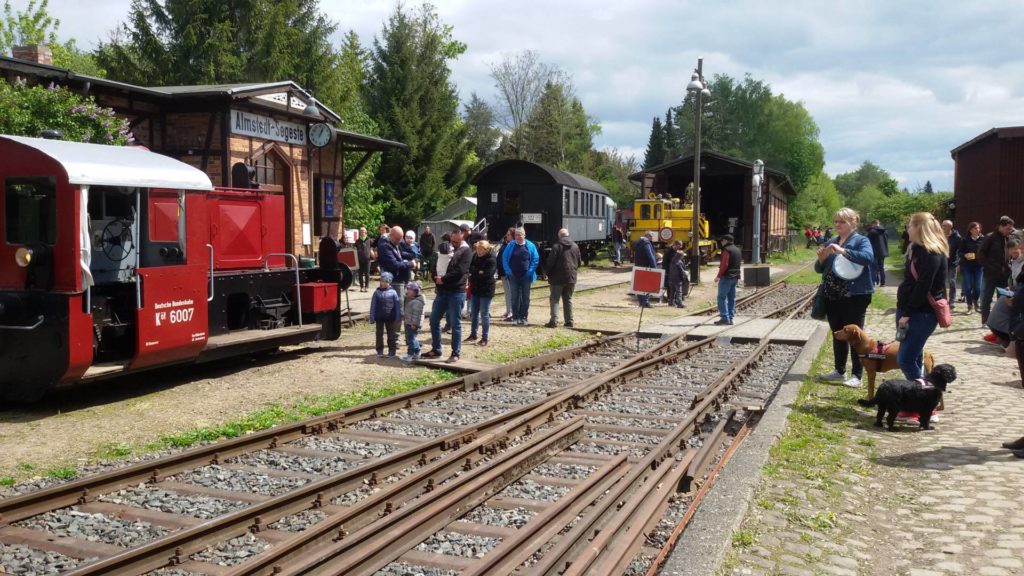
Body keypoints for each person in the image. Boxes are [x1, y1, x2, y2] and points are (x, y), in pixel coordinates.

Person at [815, 207, 875, 388]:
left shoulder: (861, 240)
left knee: (855, 335)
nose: (838, 225)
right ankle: (839, 371)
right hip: (833, 295)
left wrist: (842, 251)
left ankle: (857, 374)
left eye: (842, 221)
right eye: (836, 221)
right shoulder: (832, 241)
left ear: (853, 222)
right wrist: (822, 259)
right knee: (838, 334)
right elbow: (819, 269)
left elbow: (868, 257)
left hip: (855, 295)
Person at [896, 212, 948, 380]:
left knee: (905, 359)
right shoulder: (916, 249)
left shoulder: (931, 254)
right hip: (908, 309)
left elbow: (923, 287)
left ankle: (922, 395)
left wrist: (907, 314)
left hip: (921, 313)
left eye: (910, 225)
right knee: (915, 356)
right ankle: (918, 397)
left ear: (919, 228)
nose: (907, 229)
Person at [424, 232, 472, 362]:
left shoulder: (466, 252)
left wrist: (443, 279)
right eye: (453, 241)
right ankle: (436, 349)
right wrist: (436, 278)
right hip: (442, 291)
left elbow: (460, 271)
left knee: (455, 323)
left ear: (462, 239)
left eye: (457, 242)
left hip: (456, 291)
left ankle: (455, 352)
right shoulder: (445, 249)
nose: (454, 244)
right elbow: (434, 265)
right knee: (434, 320)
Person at [978, 215, 1015, 324]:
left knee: (1003, 299)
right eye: (1008, 228)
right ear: (1001, 226)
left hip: (1004, 274)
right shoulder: (990, 237)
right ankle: (985, 321)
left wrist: (1009, 266)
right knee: (987, 298)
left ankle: (998, 321)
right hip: (990, 273)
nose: (1010, 231)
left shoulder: (1008, 238)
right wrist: (989, 267)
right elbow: (980, 254)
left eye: (1010, 229)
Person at [501, 227, 540, 325]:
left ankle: (524, 317)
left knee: (525, 298)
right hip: (513, 275)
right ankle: (515, 317)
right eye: (516, 235)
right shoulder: (510, 245)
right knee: (514, 298)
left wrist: (530, 272)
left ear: (524, 235)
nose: (518, 236)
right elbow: (504, 258)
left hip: (526, 275)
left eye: (520, 234)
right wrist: (508, 271)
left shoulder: (530, 245)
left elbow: (535, 259)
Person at [544, 228, 582, 328]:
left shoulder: (556, 247)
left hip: (557, 278)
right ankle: (569, 321)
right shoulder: (575, 246)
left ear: (559, 236)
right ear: (568, 235)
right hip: (571, 278)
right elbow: (579, 262)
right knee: (568, 299)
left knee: (555, 299)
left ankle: (554, 321)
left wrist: (546, 273)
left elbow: (550, 262)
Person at [377, 226, 418, 310]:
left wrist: (414, 257)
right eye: (397, 239)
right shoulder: (384, 246)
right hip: (394, 281)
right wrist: (410, 264)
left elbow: (402, 254)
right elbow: (393, 264)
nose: (399, 241)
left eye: (400, 239)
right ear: (391, 235)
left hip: (401, 279)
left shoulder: (396, 243)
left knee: (402, 306)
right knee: (398, 308)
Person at [466, 240, 496, 346]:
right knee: (474, 313)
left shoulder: (491, 259)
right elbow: (470, 268)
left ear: (486, 249)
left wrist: (477, 272)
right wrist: (478, 271)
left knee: (484, 313)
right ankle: (473, 334)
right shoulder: (475, 257)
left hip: (486, 289)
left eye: (481, 249)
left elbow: (488, 274)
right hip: (475, 288)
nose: (478, 251)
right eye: (477, 249)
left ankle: (485, 337)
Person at [369, 272, 401, 358]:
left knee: (391, 335)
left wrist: (398, 317)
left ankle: (392, 350)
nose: (382, 283)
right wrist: (372, 317)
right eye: (381, 281)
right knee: (379, 335)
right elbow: (373, 305)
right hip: (379, 318)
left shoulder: (393, 293)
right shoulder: (376, 292)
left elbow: (397, 306)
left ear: (389, 282)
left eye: (384, 281)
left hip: (390, 317)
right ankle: (379, 350)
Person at [714, 234, 742, 325]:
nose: (721, 242)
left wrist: (718, 276)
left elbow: (724, 264)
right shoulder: (737, 250)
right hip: (735, 277)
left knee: (721, 297)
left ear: (726, 241)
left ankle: (725, 317)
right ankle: (730, 317)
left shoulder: (726, 250)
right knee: (732, 298)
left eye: (722, 241)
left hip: (727, 277)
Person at [959, 221, 984, 313]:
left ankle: (975, 302)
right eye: (975, 228)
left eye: (978, 228)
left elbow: (986, 252)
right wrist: (965, 255)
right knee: (968, 286)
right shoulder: (965, 240)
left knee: (978, 287)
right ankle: (969, 306)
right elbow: (960, 252)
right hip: (967, 266)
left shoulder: (983, 239)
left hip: (979, 266)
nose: (977, 230)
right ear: (970, 230)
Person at [632, 231, 658, 308]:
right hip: (645, 266)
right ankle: (645, 302)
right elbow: (650, 256)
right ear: (648, 236)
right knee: (646, 285)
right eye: (652, 236)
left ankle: (641, 301)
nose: (652, 238)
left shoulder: (638, 241)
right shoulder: (646, 243)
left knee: (639, 285)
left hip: (638, 265)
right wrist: (654, 268)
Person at [400, 281, 425, 361]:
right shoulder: (409, 299)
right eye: (408, 289)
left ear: (416, 291)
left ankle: (410, 354)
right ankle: (417, 352)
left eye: (410, 289)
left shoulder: (417, 302)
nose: (408, 291)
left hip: (413, 324)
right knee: (412, 338)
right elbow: (408, 310)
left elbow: (416, 315)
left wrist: (414, 324)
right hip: (409, 322)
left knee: (411, 339)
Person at [941, 220, 962, 310]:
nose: (943, 227)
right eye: (942, 225)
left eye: (945, 226)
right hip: (941, 263)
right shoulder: (939, 236)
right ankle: (943, 299)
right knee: (940, 282)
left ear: (950, 227)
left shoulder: (957, 237)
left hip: (952, 263)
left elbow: (960, 251)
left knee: (951, 281)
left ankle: (952, 301)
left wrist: (959, 264)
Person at [496, 228, 515, 321]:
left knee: (511, 292)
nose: (506, 236)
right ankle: (508, 310)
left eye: (508, 235)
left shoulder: (513, 245)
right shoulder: (505, 244)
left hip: (509, 273)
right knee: (507, 293)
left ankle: (512, 311)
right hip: (503, 272)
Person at [865, 219, 889, 286]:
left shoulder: (872, 231)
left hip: (874, 251)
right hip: (883, 251)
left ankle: (873, 282)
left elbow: (867, 240)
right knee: (881, 268)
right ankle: (883, 282)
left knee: (873, 268)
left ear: (873, 224)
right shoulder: (885, 231)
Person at [668, 240, 689, 308]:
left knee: (672, 291)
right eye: (683, 256)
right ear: (681, 256)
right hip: (677, 279)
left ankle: (671, 302)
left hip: (671, 278)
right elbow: (682, 271)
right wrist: (685, 275)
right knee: (679, 291)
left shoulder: (672, 260)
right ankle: (679, 303)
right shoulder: (679, 262)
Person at [354, 227, 373, 291]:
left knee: (367, 273)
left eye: (363, 231)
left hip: (367, 259)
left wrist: (373, 253)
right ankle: (361, 287)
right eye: (361, 231)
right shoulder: (357, 241)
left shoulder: (369, 240)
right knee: (360, 274)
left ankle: (366, 287)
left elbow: (373, 248)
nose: (362, 232)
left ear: (365, 232)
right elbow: (354, 249)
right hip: (359, 259)